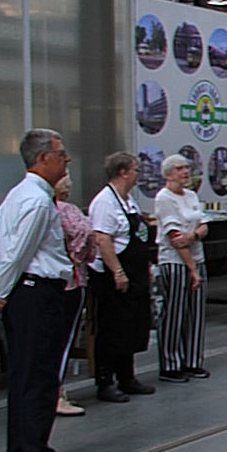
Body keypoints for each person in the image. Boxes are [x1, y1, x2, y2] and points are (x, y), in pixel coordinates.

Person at [0, 128, 83, 452]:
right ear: (42, 158)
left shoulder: (18, 195)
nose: (66, 160)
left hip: (24, 292)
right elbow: (17, 253)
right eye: (61, 153)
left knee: (25, 375)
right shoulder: (38, 201)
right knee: (39, 375)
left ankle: (23, 449)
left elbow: (1, 247)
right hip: (36, 293)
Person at [87, 151, 155, 404]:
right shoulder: (105, 202)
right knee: (112, 328)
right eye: (135, 169)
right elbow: (102, 239)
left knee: (132, 326)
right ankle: (105, 381)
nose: (138, 174)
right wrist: (117, 271)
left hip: (135, 272)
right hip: (112, 275)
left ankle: (127, 377)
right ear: (123, 172)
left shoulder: (128, 201)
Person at [154, 155, 211, 383]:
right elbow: (176, 238)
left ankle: (193, 361)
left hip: (197, 257)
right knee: (175, 313)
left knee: (196, 313)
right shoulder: (164, 199)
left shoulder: (191, 195)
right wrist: (191, 269)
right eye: (179, 169)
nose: (185, 172)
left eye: (186, 168)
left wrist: (194, 235)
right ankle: (170, 364)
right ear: (168, 174)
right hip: (175, 262)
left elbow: (203, 225)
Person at [52, 174, 98, 417]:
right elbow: (87, 239)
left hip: (49, 281)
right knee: (64, 340)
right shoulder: (67, 211)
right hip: (71, 280)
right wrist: (78, 257)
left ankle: (50, 391)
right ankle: (56, 393)